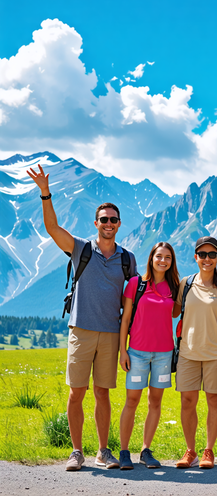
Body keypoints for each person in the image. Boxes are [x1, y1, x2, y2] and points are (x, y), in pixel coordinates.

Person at [27, 164, 137, 471]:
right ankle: (76, 452)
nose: (109, 223)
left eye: (114, 219)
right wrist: (45, 194)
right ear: (96, 222)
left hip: (111, 333)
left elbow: (134, 300)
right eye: (104, 219)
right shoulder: (81, 249)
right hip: (81, 330)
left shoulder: (127, 258)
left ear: (119, 224)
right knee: (77, 393)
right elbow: (52, 229)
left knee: (103, 393)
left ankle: (103, 451)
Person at [172, 236, 217, 469]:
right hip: (188, 353)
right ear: (195, 257)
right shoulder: (185, 284)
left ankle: (209, 450)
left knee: (213, 401)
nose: (206, 259)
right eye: (202, 254)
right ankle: (190, 451)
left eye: (211, 255)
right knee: (187, 401)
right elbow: (173, 312)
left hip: (216, 354)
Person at [118, 242, 180, 469]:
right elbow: (125, 320)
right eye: (159, 256)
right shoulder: (136, 284)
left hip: (164, 354)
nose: (163, 261)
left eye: (168, 258)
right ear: (151, 258)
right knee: (132, 401)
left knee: (155, 402)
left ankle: (145, 450)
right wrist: (122, 350)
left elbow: (175, 314)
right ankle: (124, 452)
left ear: (172, 262)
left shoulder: (174, 288)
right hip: (137, 353)